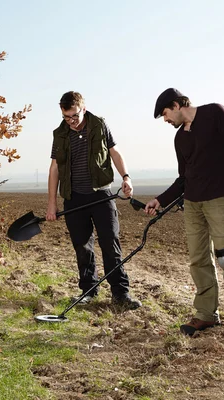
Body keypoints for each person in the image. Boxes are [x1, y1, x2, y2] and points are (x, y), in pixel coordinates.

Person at [145, 88, 224, 336]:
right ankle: (206, 315)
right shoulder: (180, 138)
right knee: (199, 261)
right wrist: (160, 199)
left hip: (220, 200)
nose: (166, 120)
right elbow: (183, 179)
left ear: (177, 105)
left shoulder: (215, 113)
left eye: (166, 114)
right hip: (192, 205)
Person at [46, 91, 141, 309]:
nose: (71, 122)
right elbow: (54, 169)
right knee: (82, 247)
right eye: (66, 117)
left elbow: (114, 152)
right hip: (74, 198)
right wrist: (52, 203)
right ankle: (88, 291)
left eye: (74, 116)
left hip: (101, 195)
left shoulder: (99, 125)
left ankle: (121, 294)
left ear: (83, 109)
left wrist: (126, 177)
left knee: (110, 243)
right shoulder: (59, 133)